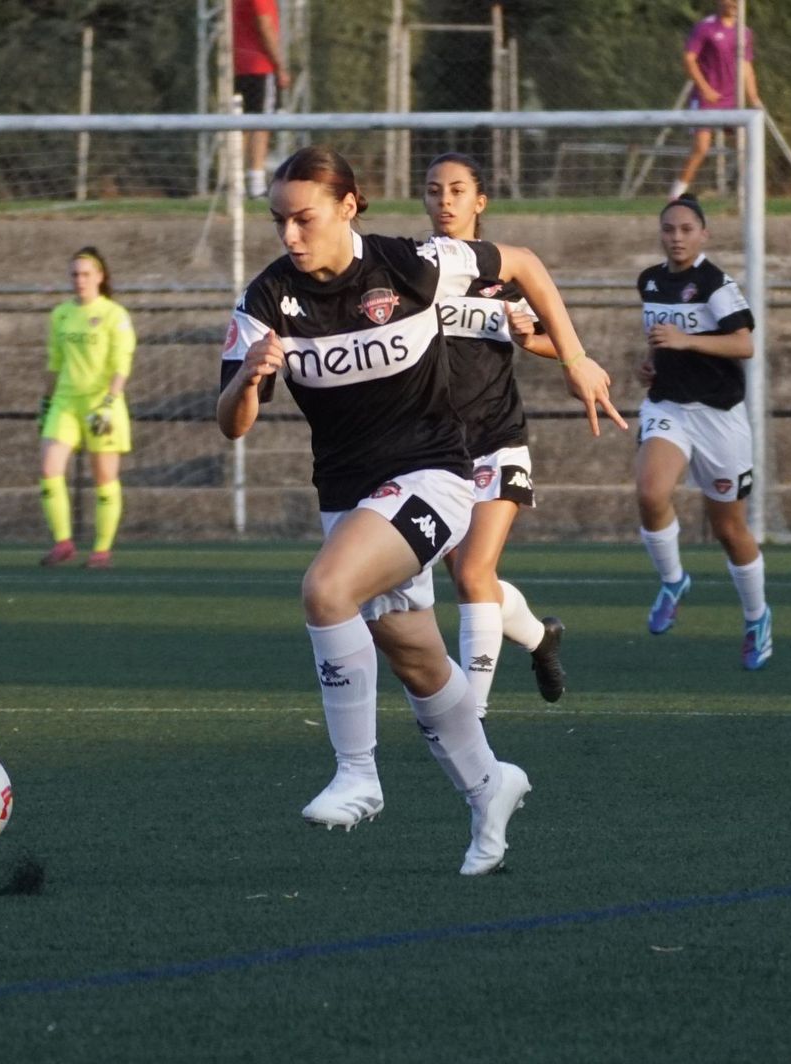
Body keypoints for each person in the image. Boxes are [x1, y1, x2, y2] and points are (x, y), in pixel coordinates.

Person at [218, 146, 624, 875]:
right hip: (347, 495)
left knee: (326, 590)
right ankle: (490, 786)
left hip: (433, 475)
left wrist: (575, 359)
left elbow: (525, 263)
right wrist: (248, 380)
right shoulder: (265, 300)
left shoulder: (414, 264)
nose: (289, 235)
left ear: (348, 207)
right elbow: (232, 424)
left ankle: (358, 775)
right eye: (278, 220)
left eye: (304, 218)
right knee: (416, 659)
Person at [422, 152, 568, 718]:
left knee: (473, 574)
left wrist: (530, 338)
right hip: (435, 450)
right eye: (434, 190)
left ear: (479, 201)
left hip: (497, 438)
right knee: (472, 579)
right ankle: (540, 638)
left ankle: (472, 713)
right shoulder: (415, 274)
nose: (445, 200)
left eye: (457, 190)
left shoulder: (503, 275)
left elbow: (559, 340)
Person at [634, 194, 770, 670]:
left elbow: (744, 344)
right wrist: (650, 364)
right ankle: (673, 581)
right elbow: (659, 339)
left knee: (728, 529)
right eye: (669, 229)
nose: (676, 237)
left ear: (703, 234)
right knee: (650, 492)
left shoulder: (715, 285)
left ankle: (756, 617)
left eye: (686, 229)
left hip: (719, 417)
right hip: (669, 407)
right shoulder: (650, 281)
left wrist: (685, 340)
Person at [39, 247, 135, 569]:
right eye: (74, 274)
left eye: (85, 274)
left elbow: (121, 364)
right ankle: (63, 543)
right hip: (65, 402)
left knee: (104, 477)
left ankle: (101, 550)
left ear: (100, 277)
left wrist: (109, 402)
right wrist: (46, 401)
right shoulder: (61, 314)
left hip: (101, 404)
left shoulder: (114, 315)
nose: (79, 280)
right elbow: (54, 362)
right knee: (49, 469)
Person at [670, 0, 762, 202]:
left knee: (746, 145)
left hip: (732, 100)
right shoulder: (705, 27)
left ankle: (747, 196)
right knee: (701, 147)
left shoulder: (744, 32)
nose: (733, 4)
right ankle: (675, 194)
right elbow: (689, 59)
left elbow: (747, 66)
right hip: (706, 99)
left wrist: (753, 97)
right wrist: (705, 89)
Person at [233, 0, 291, 199]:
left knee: (241, 125)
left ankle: (237, 181)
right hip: (259, 66)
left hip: (238, 65)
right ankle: (255, 183)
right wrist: (279, 65)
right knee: (261, 124)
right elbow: (265, 26)